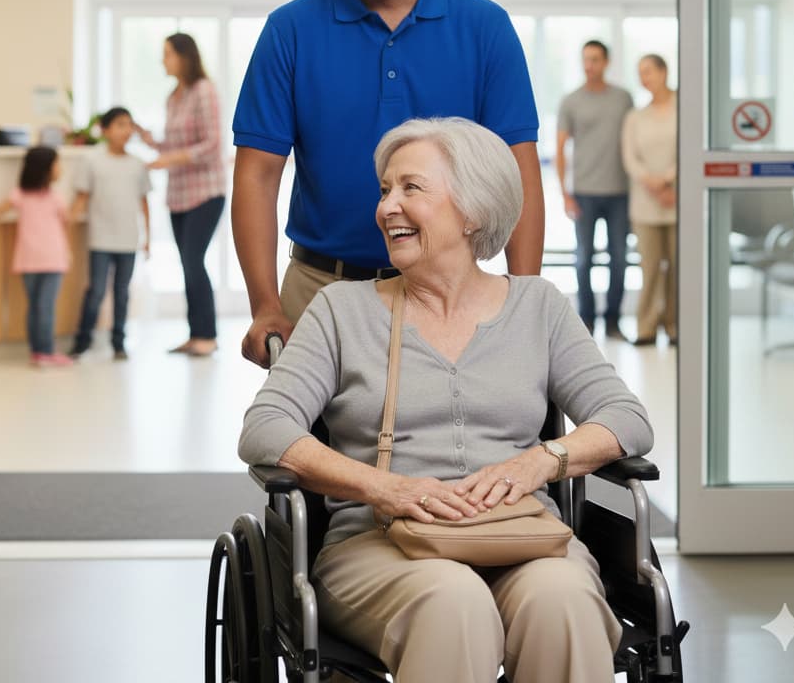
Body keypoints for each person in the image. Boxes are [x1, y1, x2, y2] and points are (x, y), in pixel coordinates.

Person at [239, 117, 652, 683]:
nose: (387, 207)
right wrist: (387, 488)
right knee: (453, 601)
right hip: (379, 543)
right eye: (385, 190)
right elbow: (264, 427)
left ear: (474, 209)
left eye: (411, 188)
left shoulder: (538, 307)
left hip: (521, 535)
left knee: (565, 602)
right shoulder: (342, 310)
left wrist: (541, 461)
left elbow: (625, 417)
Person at [232, 0, 544, 366]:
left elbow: (520, 171)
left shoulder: (485, 28)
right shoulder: (290, 31)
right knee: (309, 452)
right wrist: (264, 305)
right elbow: (257, 176)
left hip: (453, 292)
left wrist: (524, 300)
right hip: (318, 292)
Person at [136, 33, 226, 357]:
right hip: (179, 195)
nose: (163, 60)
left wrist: (170, 158)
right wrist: (152, 142)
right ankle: (195, 334)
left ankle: (208, 336)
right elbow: (173, 146)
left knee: (193, 261)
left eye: (167, 54)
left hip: (206, 192)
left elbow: (213, 144)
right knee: (187, 264)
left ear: (184, 56)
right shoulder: (174, 96)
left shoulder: (205, 90)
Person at [0, 146, 73, 368]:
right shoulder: (48, 197)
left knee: (37, 307)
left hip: (35, 259)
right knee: (44, 307)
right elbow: (65, 224)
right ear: (46, 169)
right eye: (57, 164)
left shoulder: (28, 195)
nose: (60, 169)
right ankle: (44, 352)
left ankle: (39, 352)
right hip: (49, 259)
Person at [555, 40, 634, 340]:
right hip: (584, 192)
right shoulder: (571, 101)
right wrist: (565, 193)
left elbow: (634, 140)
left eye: (595, 60)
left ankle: (613, 321)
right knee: (584, 258)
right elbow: (561, 148)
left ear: (607, 62)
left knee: (619, 257)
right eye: (585, 60)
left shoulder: (623, 99)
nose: (590, 65)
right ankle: (586, 321)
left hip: (620, 192)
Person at [69, 106, 151, 360]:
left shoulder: (138, 164)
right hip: (100, 238)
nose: (126, 130)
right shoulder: (92, 160)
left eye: (129, 124)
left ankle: (119, 343)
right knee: (95, 292)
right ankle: (82, 342)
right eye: (119, 125)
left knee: (122, 293)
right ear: (105, 130)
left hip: (128, 240)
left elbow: (144, 202)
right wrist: (68, 220)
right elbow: (82, 196)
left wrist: (147, 237)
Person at [621, 54, 677, 346]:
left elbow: (691, 148)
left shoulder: (685, 109)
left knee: (679, 268)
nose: (645, 78)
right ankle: (646, 327)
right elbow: (630, 158)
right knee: (650, 268)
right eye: (640, 73)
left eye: (649, 71)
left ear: (664, 71)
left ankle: (675, 326)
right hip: (645, 203)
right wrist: (654, 183)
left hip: (679, 200)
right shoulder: (635, 117)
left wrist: (669, 180)